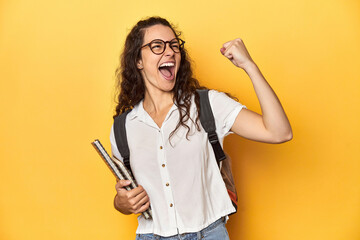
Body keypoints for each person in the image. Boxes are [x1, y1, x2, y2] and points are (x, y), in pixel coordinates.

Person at [110, 16, 292, 240]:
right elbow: (126, 194)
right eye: (157, 46)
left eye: (174, 45)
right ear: (138, 60)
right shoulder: (122, 128)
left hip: (209, 234)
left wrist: (249, 66)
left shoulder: (208, 105)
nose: (170, 52)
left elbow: (279, 132)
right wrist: (121, 202)